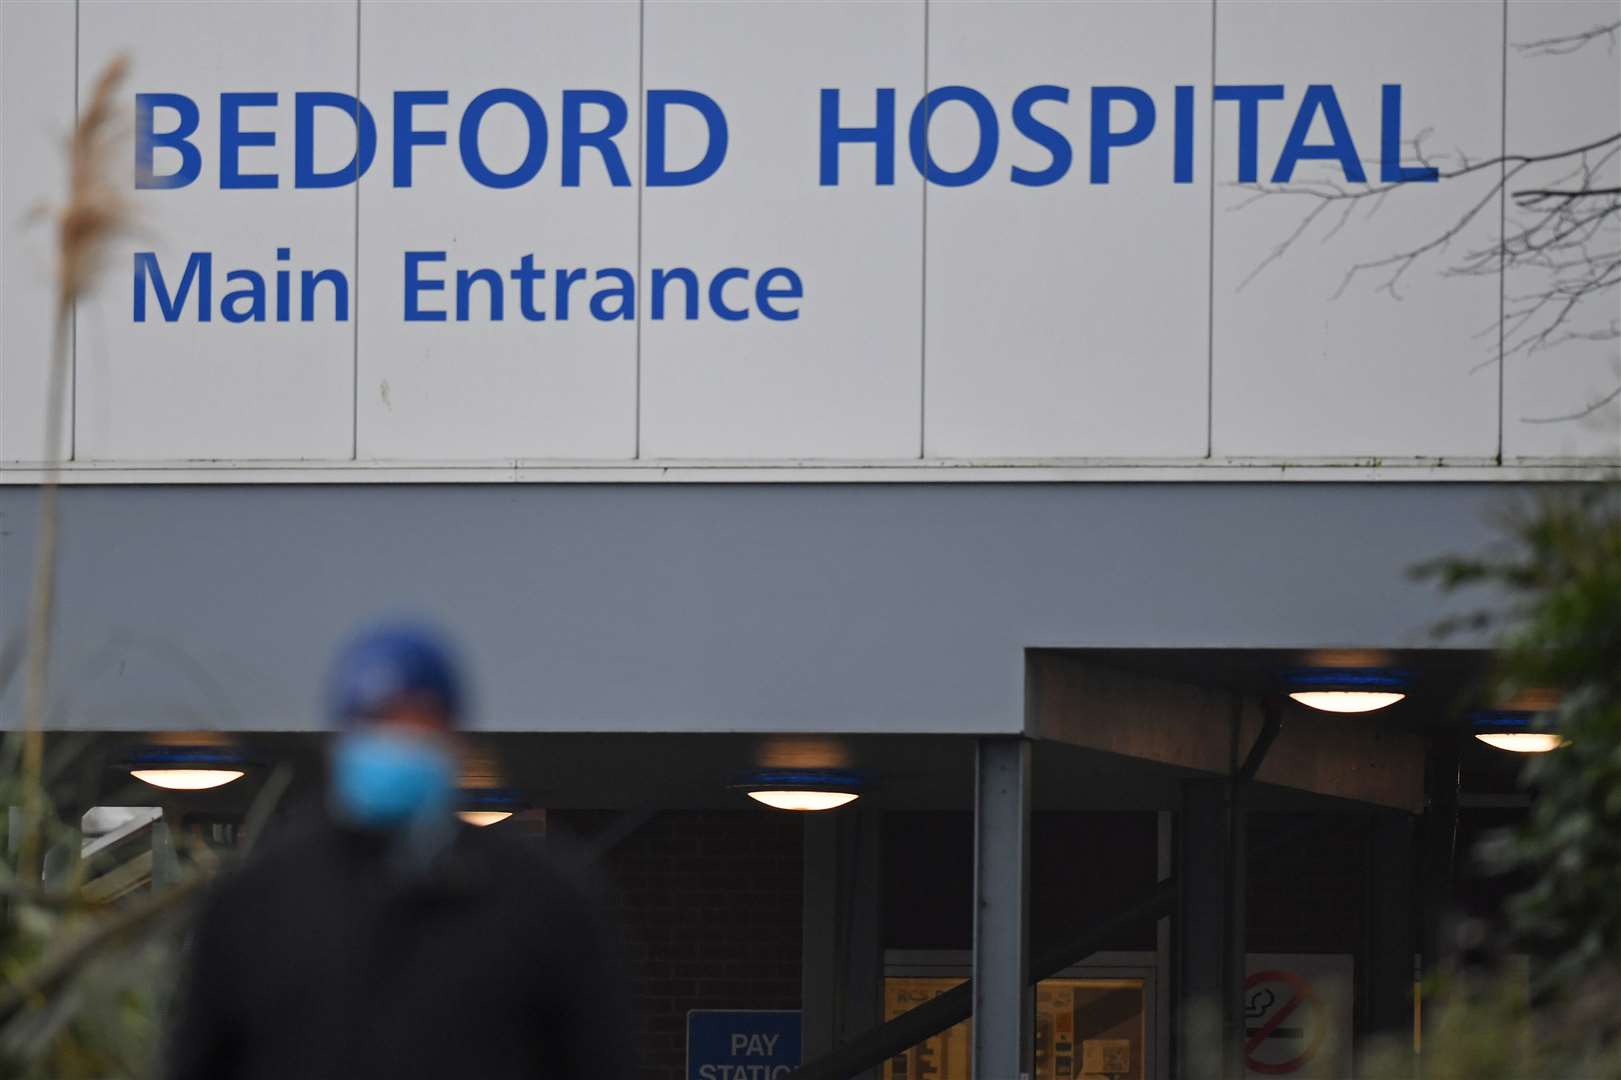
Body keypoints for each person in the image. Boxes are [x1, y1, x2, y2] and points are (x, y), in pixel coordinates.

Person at [166, 623, 630, 1080]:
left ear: (456, 739)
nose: (399, 741)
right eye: (379, 722)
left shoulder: (543, 899)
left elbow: (597, 1057)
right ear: (340, 740)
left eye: (420, 723)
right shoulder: (258, 903)